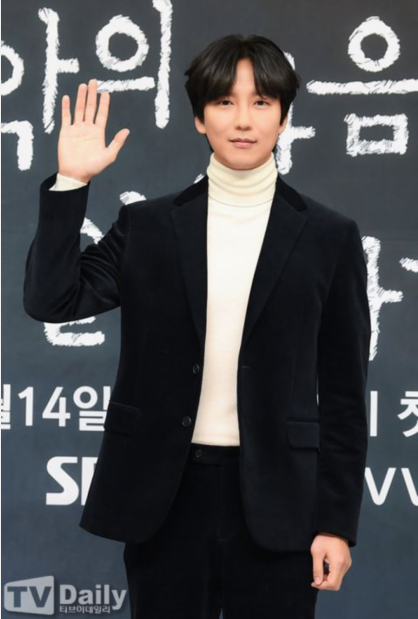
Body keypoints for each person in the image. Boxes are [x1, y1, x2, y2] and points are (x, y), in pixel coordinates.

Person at [23, 34, 371, 619]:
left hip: (280, 501)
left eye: (261, 102)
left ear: (284, 117)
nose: (243, 120)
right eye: (224, 102)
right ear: (198, 118)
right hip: (166, 497)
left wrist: (335, 524)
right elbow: (51, 299)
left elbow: (344, 396)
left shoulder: (329, 237)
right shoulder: (148, 226)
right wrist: (71, 182)